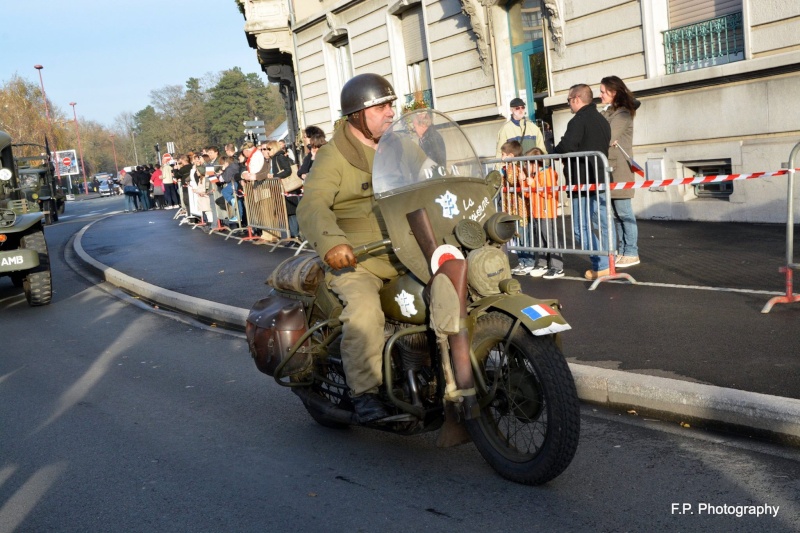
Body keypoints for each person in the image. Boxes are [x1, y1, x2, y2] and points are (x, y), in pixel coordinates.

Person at [296, 72, 401, 424]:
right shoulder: (333, 156)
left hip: (409, 250)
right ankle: (365, 392)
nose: (391, 112)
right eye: (382, 106)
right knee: (364, 311)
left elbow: (435, 177)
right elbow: (312, 205)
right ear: (358, 115)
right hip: (360, 258)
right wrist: (333, 242)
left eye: (391, 104)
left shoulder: (400, 146)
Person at [554, 84, 612, 280]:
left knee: (581, 228)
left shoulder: (578, 120)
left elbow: (567, 145)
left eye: (569, 100)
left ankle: (602, 264)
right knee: (602, 224)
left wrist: (552, 151)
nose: (569, 104)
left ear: (577, 99)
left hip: (583, 180)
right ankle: (606, 261)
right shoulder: (602, 120)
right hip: (600, 179)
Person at [600, 75, 640, 268]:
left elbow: (606, 135)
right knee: (616, 214)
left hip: (621, 169)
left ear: (613, 92)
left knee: (624, 212)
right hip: (609, 168)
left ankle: (631, 251)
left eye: (603, 92)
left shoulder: (622, 114)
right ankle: (623, 251)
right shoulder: (609, 112)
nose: (600, 95)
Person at [524, 147, 564, 279]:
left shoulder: (548, 173)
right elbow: (528, 194)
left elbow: (549, 192)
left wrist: (533, 183)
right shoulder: (535, 175)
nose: (525, 166)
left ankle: (557, 267)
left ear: (534, 163)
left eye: (527, 163)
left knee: (550, 239)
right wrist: (525, 181)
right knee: (540, 239)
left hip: (547, 211)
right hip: (537, 211)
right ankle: (542, 264)